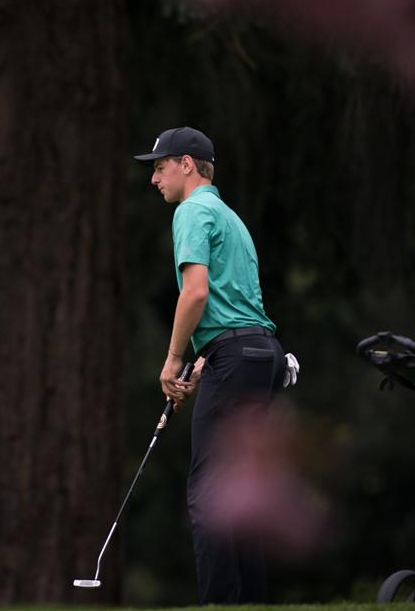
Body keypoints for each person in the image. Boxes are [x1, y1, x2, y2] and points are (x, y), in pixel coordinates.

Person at [134, 125, 291, 604]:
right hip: (262, 354)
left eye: (159, 168)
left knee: (209, 495)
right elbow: (237, 305)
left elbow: (197, 292)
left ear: (186, 164)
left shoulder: (191, 210)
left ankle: (219, 603)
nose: (154, 179)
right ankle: (250, 602)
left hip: (236, 354)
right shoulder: (229, 216)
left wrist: (174, 359)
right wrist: (206, 359)